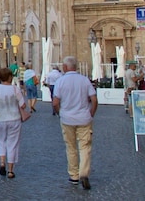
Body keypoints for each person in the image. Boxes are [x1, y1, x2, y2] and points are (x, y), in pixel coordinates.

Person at [51, 56, 98, 190]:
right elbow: (94, 99)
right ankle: (84, 173)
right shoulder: (84, 80)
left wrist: (59, 113)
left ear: (65, 67)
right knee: (85, 147)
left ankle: (74, 175)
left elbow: (55, 102)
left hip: (67, 118)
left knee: (70, 147)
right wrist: (91, 113)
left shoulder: (60, 81)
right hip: (84, 118)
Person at [0, 67, 25, 179]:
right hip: (14, 118)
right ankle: (10, 171)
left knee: (0, 141)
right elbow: (23, 105)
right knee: (12, 143)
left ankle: (2, 162)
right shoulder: (15, 89)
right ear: (10, 77)